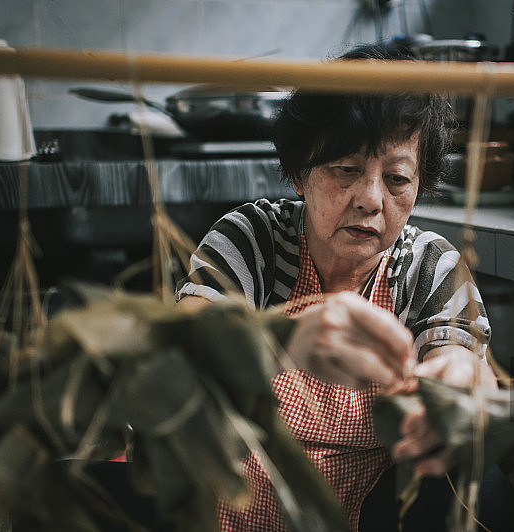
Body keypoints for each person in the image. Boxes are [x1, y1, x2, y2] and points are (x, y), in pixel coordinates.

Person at [175, 46, 497, 531]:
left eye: (396, 178)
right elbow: (182, 349)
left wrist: (461, 383)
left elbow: (471, 364)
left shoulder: (428, 264)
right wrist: (282, 341)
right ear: (299, 173)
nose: (370, 200)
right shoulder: (252, 239)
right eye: (345, 169)